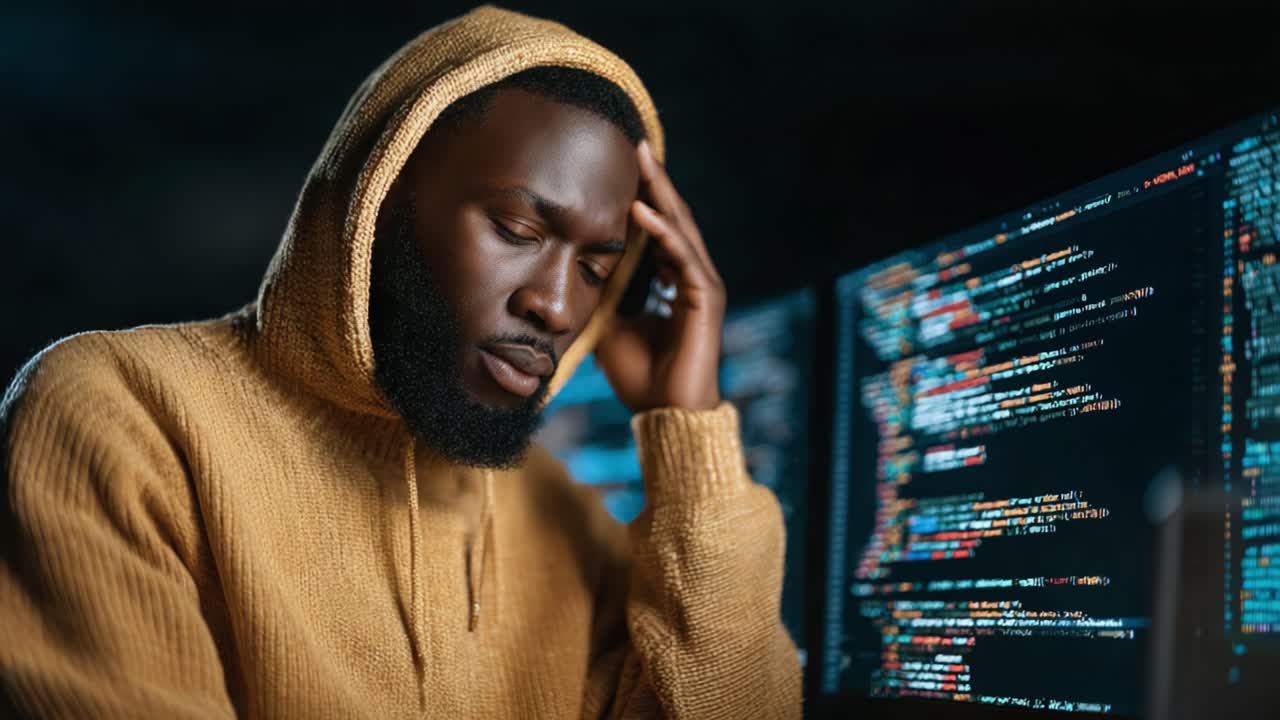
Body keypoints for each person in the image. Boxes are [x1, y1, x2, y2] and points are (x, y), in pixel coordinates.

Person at [0, 6, 801, 718]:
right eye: (519, 231)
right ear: (378, 196)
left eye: (597, 266)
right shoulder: (122, 414)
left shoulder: (565, 519)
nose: (557, 306)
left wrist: (690, 429)